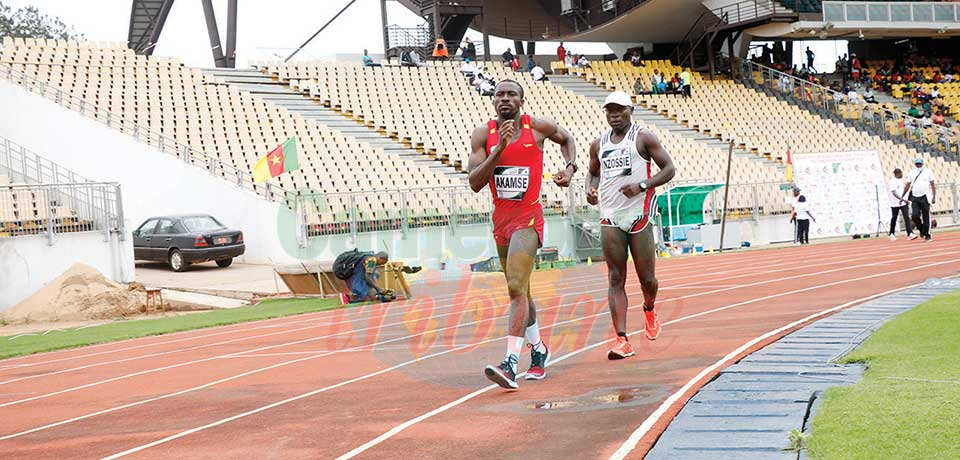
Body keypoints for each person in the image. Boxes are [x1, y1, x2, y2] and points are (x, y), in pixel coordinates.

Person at [468, 79, 577, 389]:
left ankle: (510, 363)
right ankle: (539, 351)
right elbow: (475, 182)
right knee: (522, 293)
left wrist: (570, 168)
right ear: (492, 101)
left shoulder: (538, 127)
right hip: (501, 221)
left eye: (511, 94)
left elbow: (567, 138)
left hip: (529, 219)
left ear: (521, 101)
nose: (505, 99)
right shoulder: (482, 135)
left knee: (516, 287)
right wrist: (498, 149)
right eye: (499, 94)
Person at [586, 91, 675, 359]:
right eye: (609, 111)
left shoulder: (644, 138)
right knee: (615, 277)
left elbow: (669, 168)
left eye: (619, 110)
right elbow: (593, 172)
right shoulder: (598, 144)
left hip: (639, 212)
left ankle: (649, 308)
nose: (614, 115)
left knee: (647, 279)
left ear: (630, 110)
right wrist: (591, 190)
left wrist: (642, 185)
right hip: (610, 214)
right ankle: (622, 340)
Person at [904, 157, 936, 241]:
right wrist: (903, 196)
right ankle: (922, 230)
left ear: (922, 164)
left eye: (919, 164)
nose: (918, 165)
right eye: (917, 164)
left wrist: (933, 196)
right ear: (915, 164)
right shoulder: (912, 172)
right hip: (915, 197)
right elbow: (908, 184)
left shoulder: (928, 172)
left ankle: (928, 234)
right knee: (915, 216)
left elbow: (932, 184)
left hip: (925, 196)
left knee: (926, 216)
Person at [888, 168, 916, 241]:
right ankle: (891, 233)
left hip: (903, 203)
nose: (902, 175)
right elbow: (894, 193)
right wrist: (902, 199)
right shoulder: (892, 181)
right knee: (894, 218)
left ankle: (910, 233)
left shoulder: (900, 181)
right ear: (897, 174)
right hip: (895, 203)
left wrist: (905, 199)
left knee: (906, 217)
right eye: (900, 173)